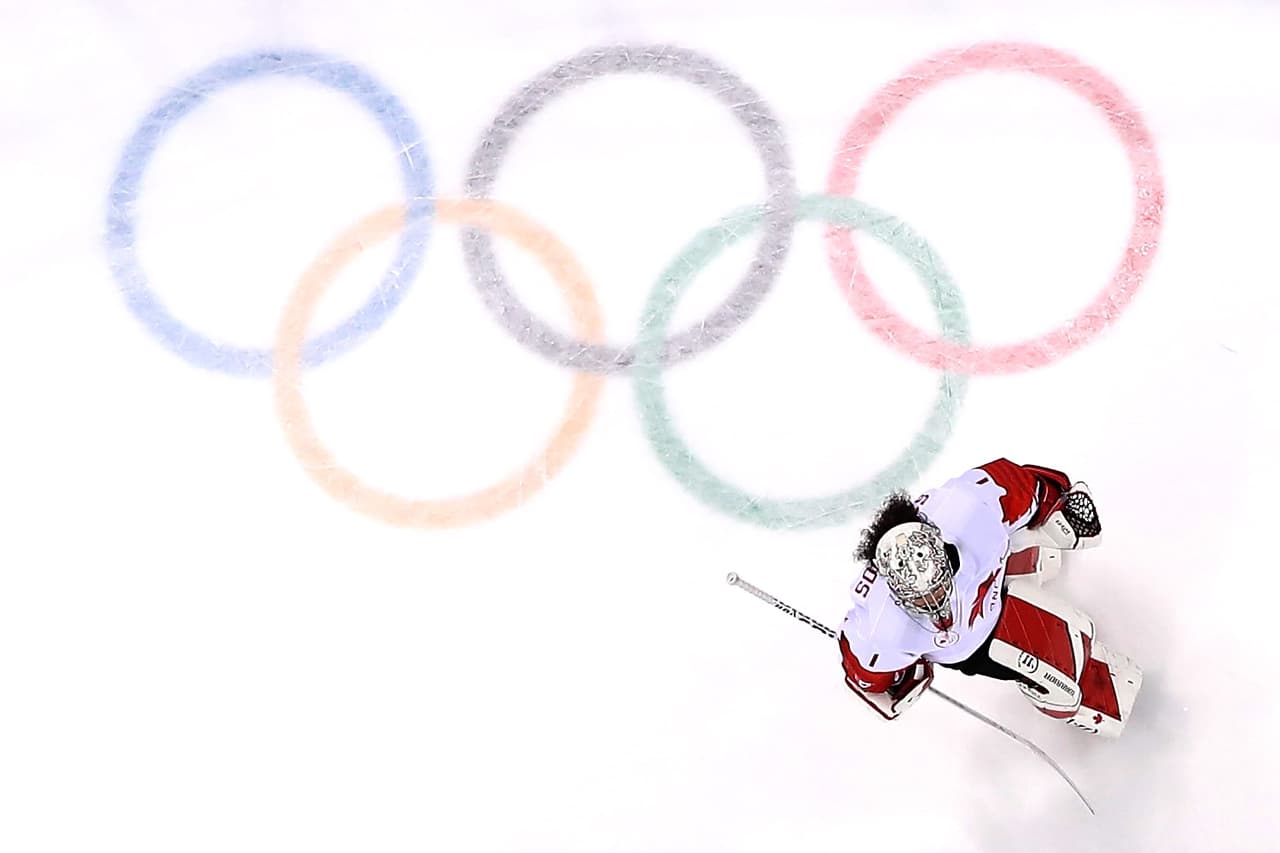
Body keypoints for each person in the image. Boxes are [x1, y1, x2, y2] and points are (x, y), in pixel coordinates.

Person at [839, 459, 1141, 736]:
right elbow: (866, 677)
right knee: (1067, 680)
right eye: (919, 598)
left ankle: (1036, 564)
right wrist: (900, 681)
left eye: (937, 586)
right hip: (977, 648)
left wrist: (1055, 505)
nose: (934, 604)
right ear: (896, 591)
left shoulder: (971, 512)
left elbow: (1031, 485)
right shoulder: (881, 630)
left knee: (1042, 549)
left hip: (995, 585)